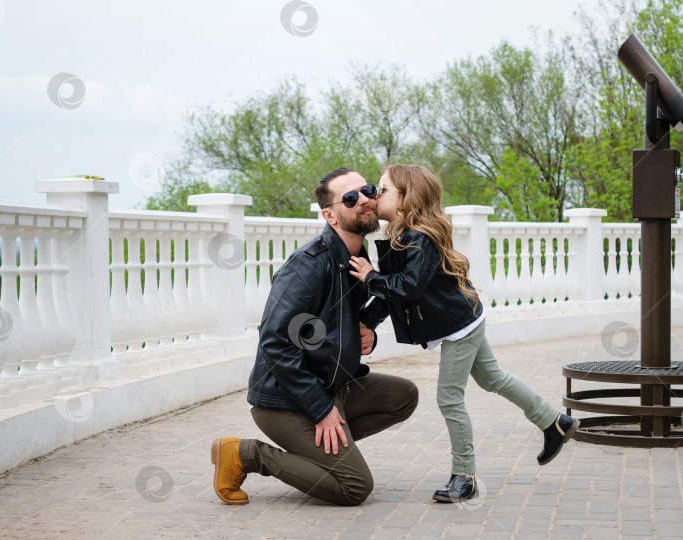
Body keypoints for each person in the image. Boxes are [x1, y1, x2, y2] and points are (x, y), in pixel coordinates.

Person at [350, 164, 579, 504]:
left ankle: (465, 476)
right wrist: (367, 320)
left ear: (404, 200)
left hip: (458, 327)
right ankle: (553, 422)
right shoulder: (400, 237)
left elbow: (408, 287)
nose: (373, 194)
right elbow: (393, 294)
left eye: (381, 189)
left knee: (449, 398)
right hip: (464, 319)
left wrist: (370, 277)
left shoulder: (420, 238)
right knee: (494, 379)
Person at [211, 167, 419, 507]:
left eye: (367, 190)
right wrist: (321, 410)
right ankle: (247, 454)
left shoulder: (356, 257)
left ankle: (323, 451)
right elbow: (275, 341)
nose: (366, 200)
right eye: (351, 198)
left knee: (404, 395)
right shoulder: (308, 266)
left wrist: (367, 330)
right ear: (330, 215)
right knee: (354, 487)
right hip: (286, 402)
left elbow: (341, 320)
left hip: (333, 385)